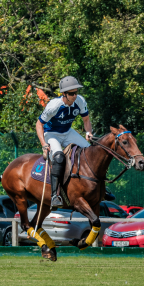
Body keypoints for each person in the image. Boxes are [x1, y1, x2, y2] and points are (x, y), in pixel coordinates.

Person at [36, 76, 93, 210]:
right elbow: (39, 124)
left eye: (76, 92)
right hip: (52, 133)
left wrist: (88, 132)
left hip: (68, 132)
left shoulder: (80, 101)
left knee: (90, 151)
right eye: (71, 93)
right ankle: (55, 195)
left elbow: (86, 120)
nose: (74, 96)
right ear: (64, 94)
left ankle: (102, 187)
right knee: (59, 157)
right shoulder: (54, 106)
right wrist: (43, 143)